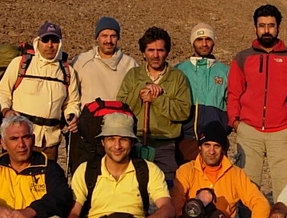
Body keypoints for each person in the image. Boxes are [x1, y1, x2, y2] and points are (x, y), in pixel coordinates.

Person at [227, 4, 287, 201]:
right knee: (248, 187)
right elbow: (234, 92)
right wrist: (235, 122)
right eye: (262, 25)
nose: (266, 30)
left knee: (285, 187)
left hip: (282, 132)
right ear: (255, 27)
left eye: (271, 25)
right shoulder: (243, 58)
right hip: (249, 131)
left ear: (278, 27)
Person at [171, 121, 270, 218]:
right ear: (199, 147)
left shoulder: (236, 175)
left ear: (223, 149)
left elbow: (262, 204)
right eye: (207, 145)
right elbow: (176, 203)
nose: (211, 151)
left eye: (216, 146)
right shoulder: (186, 171)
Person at [0, 22, 80, 161]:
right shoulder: (20, 64)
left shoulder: (67, 71)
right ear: (38, 42)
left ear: (60, 44)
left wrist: (72, 114)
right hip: (20, 139)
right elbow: (3, 91)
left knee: (44, 180)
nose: (50, 45)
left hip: (50, 141)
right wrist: (6, 111)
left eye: (54, 41)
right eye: (45, 40)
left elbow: (72, 101)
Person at [117, 26, 191, 183]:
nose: (155, 55)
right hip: (134, 142)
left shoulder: (178, 77)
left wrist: (157, 99)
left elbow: (183, 111)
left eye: (160, 50)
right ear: (143, 53)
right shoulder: (133, 75)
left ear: (167, 52)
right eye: (151, 50)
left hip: (165, 145)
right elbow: (121, 108)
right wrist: (141, 92)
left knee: (168, 187)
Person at [175, 23, 229, 163]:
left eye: (208, 39)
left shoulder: (225, 71)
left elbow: (233, 102)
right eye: (199, 40)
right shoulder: (180, 70)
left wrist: (225, 127)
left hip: (215, 142)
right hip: (187, 139)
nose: (204, 44)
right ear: (193, 42)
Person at [72, 16, 139, 105]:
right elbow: (72, 97)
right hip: (89, 117)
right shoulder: (81, 61)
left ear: (118, 38)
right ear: (97, 38)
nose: (109, 40)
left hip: (120, 117)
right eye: (104, 36)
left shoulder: (130, 64)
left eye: (113, 36)